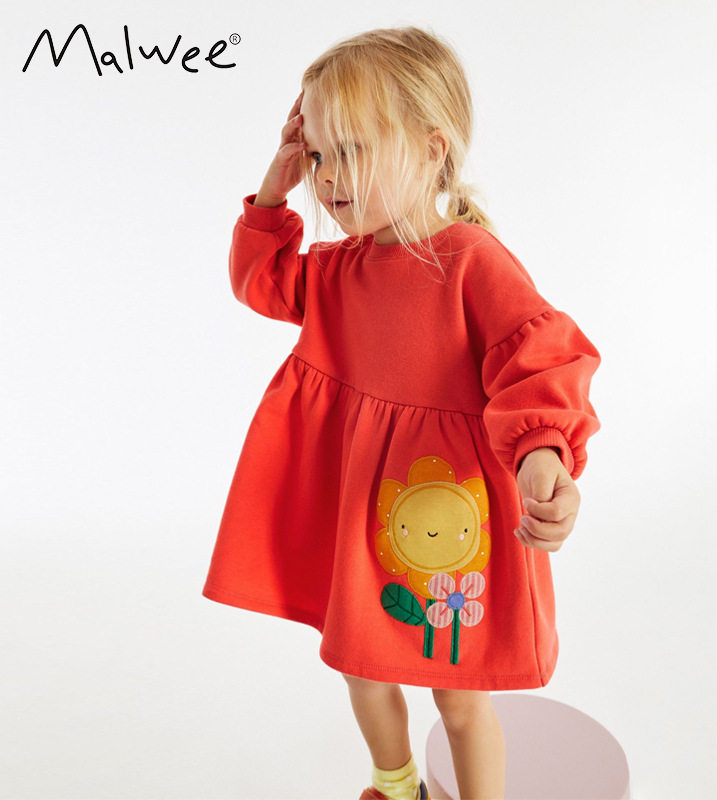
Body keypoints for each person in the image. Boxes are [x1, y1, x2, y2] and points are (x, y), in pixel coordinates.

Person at [202, 25, 602, 800]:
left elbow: (541, 359)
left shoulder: (473, 262)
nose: (328, 177)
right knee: (359, 662)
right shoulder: (339, 270)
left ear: (430, 149)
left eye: (350, 151)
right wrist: (275, 187)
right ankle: (396, 783)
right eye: (318, 154)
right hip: (363, 510)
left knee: (459, 691)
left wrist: (542, 453)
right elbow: (260, 280)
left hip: (445, 511)